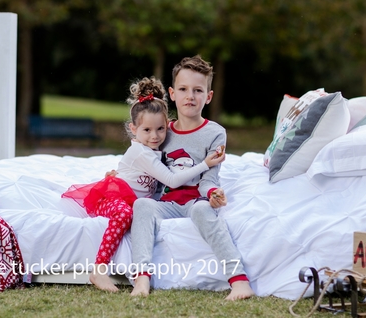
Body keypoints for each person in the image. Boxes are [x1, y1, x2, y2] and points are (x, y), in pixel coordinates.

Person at [61, 76, 225, 292]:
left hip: (132, 199)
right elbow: (172, 180)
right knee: (124, 215)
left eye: (160, 129)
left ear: (167, 126)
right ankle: (99, 270)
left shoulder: (155, 151)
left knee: (135, 214)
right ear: (133, 129)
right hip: (112, 197)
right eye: (146, 130)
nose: (155, 136)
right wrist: (204, 164)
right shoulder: (141, 152)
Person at [130, 55, 254, 300]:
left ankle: (239, 281)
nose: (190, 96)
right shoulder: (161, 130)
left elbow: (209, 178)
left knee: (203, 212)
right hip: (166, 202)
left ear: (208, 96)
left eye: (198, 90)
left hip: (195, 199)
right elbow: (144, 160)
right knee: (142, 205)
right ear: (172, 93)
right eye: (184, 89)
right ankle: (141, 279)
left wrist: (212, 194)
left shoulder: (215, 133)